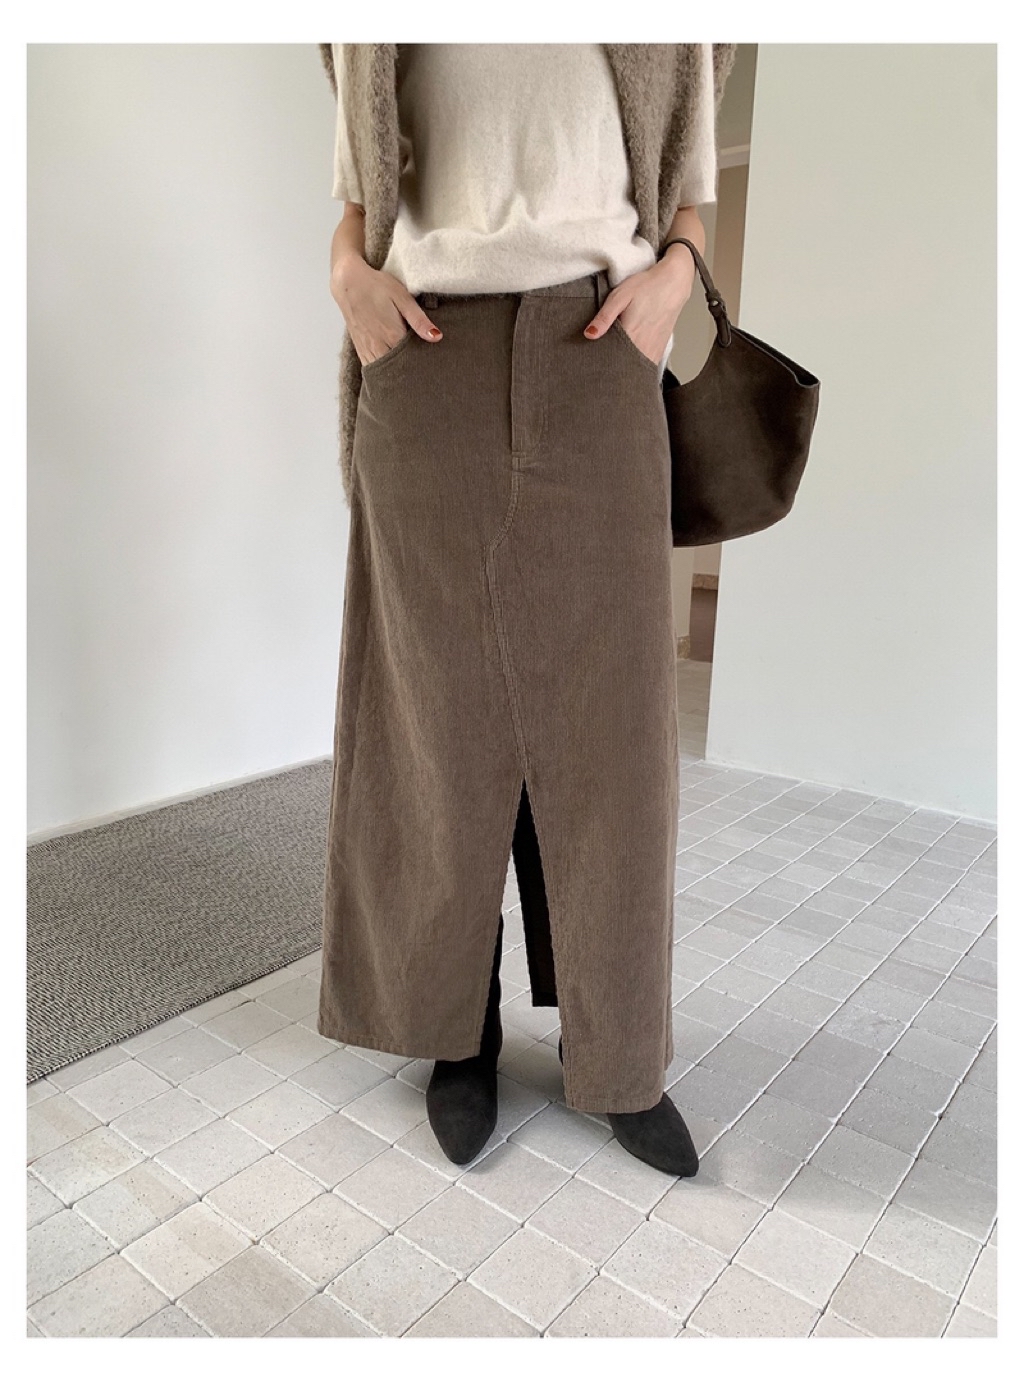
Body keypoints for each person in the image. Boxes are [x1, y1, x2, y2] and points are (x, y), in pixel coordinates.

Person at [317, 42, 736, 1177]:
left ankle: (621, 1050)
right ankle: (458, 1030)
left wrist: (672, 278)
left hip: (601, 351)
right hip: (425, 351)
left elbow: (686, 190)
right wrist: (348, 276)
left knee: (611, 732)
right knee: (433, 721)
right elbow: (358, 189)